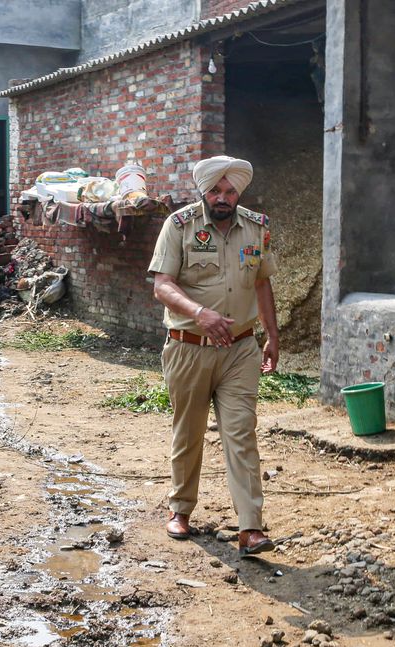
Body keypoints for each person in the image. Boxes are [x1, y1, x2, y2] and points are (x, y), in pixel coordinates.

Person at [147, 155, 280, 557]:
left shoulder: (258, 228)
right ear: (203, 191)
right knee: (188, 433)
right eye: (216, 191)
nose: (223, 198)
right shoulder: (179, 226)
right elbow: (162, 285)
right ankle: (181, 510)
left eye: (231, 191)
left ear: (239, 192)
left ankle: (250, 527)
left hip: (241, 348)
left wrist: (272, 336)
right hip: (189, 349)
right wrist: (199, 313)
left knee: (241, 433)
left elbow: (262, 283)